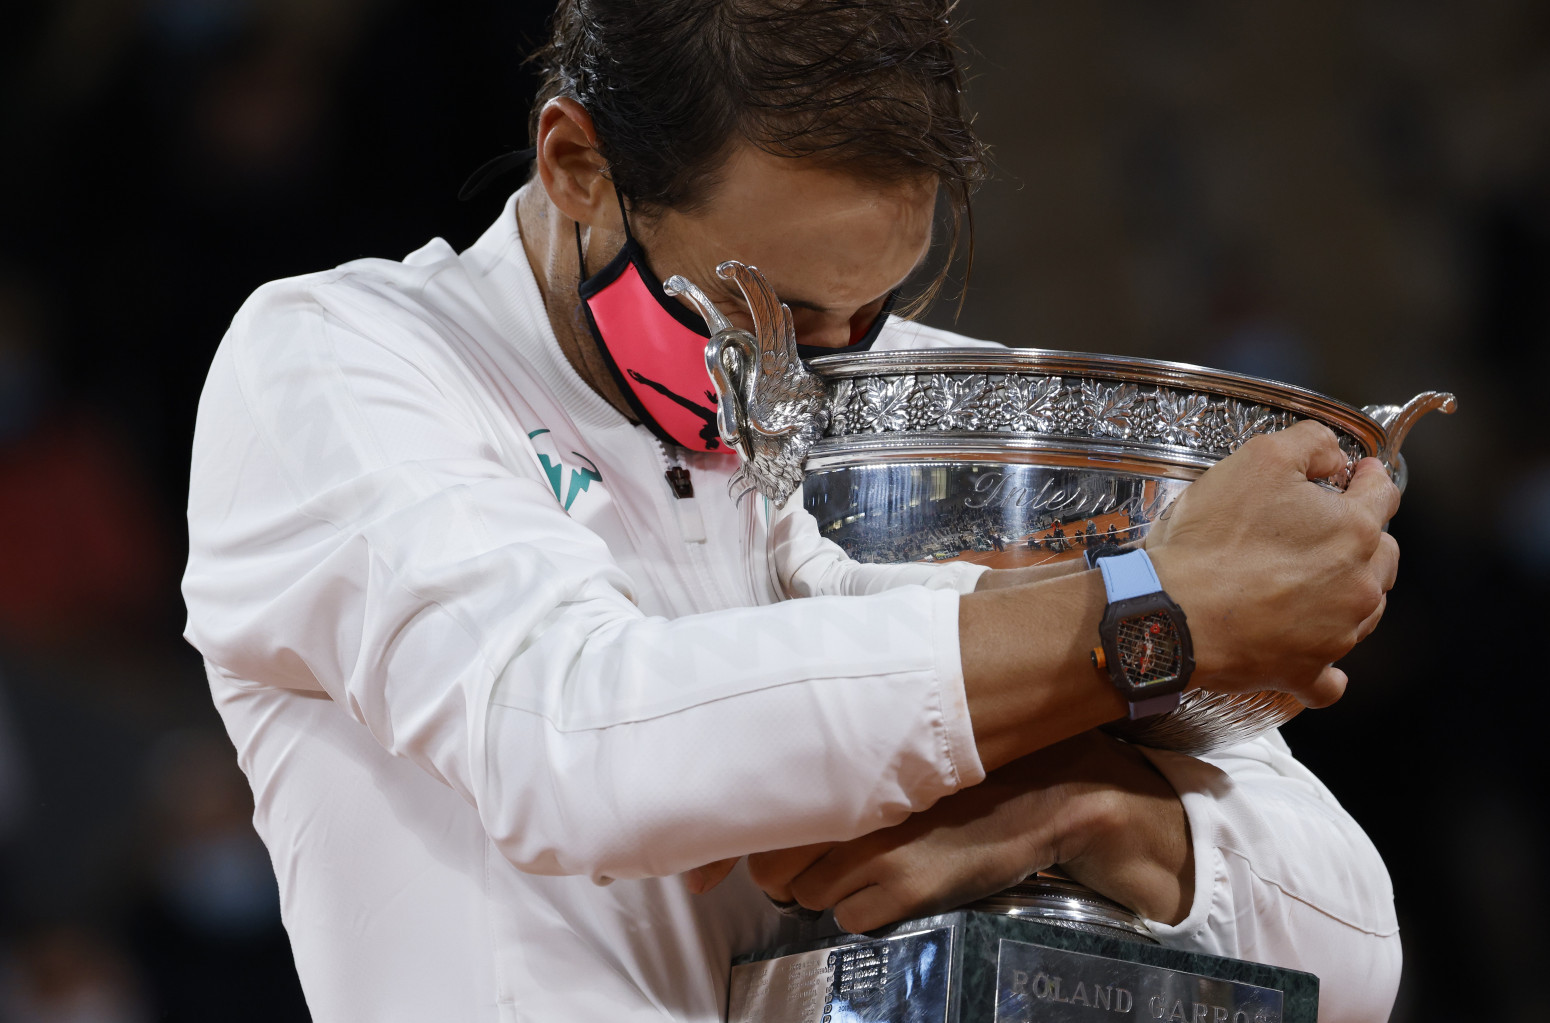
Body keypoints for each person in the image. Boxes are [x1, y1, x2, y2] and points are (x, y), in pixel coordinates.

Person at [182, 2, 1403, 1021]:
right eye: (760, 315)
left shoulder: (934, 408)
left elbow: (1350, 959)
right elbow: (573, 745)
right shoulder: (339, 364)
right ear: (575, 165)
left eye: (867, 311)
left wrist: (1096, 811)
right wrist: (1133, 619)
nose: (811, 385)